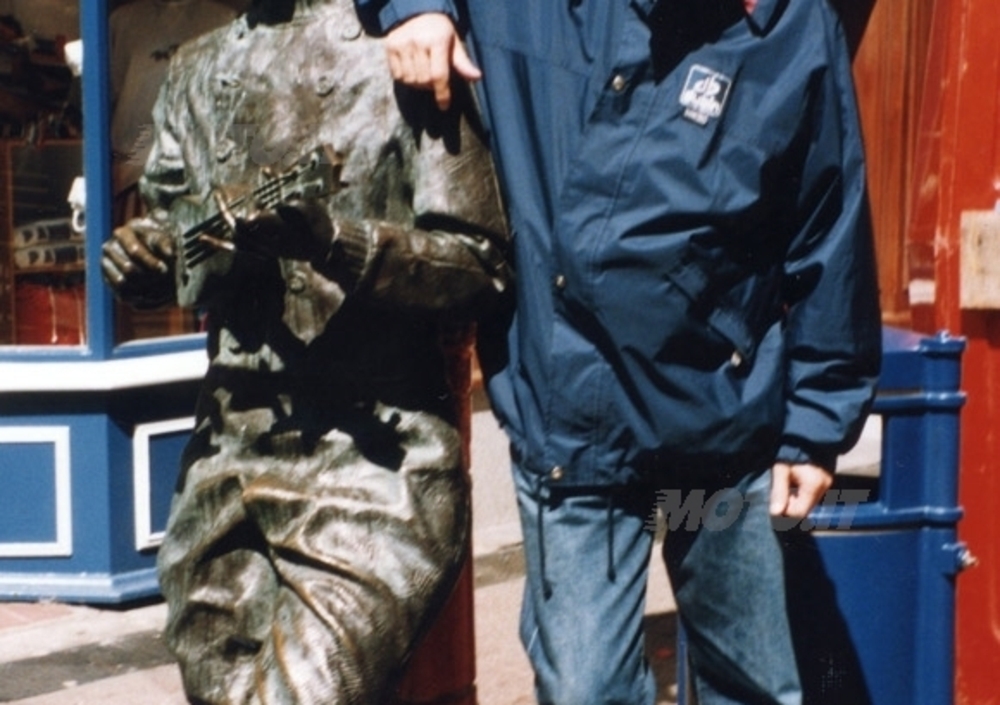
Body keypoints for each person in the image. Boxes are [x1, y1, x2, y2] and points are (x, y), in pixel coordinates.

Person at [356, 0, 883, 703]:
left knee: (752, 687)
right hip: (574, 422)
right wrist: (413, 8)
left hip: (719, 424)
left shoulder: (792, 26)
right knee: (587, 691)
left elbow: (829, 227)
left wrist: (815, 427)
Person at [100, 0, 510, 701]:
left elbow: (480, 267)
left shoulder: (407, 51)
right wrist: (150, 260)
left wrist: (335, 242)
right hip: (225, 464)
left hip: (374, 465)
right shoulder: (194, 70)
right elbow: (181, 241)